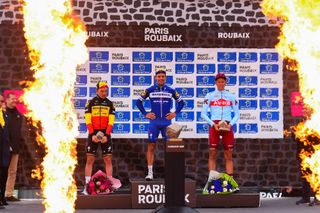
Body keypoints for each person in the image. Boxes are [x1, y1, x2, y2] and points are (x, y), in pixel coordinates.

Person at [136, 70, 185, 181]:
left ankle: (171, 173)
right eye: (159, 76)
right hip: (154, 122)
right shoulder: (150, 90)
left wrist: (175, 113)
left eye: (163, 76)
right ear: (155, 78)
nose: (161, 78)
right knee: (151, 147)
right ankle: (150, 173)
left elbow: (181, 102)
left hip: (167, 123)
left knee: (169, 148)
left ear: (165, 78)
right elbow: (138, 102)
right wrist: (145, 113)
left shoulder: (171, 90)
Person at [83, 81, 120, 194]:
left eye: (106, 91)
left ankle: (109, 186)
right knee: (90, 160)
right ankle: (87, 186)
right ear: (97, 90)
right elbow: (88, 120)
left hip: (105, 133)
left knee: (108, 159)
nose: (104, 93)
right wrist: (93, 134)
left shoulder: (110, 104)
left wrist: (107, 135)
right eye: (102, 91)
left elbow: (111, 121)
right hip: (93, 133)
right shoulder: (90, 103)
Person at [201, 73, 240, 178]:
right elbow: (203, 114)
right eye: (219, 81)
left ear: (225, 82)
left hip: (227, 126)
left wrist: (230, 124)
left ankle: (231, 182)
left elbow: (237, 114)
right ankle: (211, 181)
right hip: (215, 125)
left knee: (228, 155)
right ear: (216, 83)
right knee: (212, 154)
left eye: (223, 81)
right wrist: (213, 124)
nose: (221, 83)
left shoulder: (231, 96)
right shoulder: (210, 95)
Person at [5, 93, 23, 202]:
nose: (14, 101)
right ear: (7, 100)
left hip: (15, 148)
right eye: (12, 99)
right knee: (2, 171)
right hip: (4, 148)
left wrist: (15, 145)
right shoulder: (2, 114)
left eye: (15, 99)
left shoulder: (18, 115)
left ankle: (8, 194)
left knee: (12, 171)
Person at [0, 94, 10, 208]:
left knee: (4, 175)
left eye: (2, 101)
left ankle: (2, 197)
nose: (1, 103)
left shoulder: (4, 115)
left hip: (4, 150)